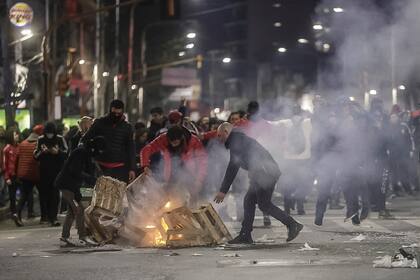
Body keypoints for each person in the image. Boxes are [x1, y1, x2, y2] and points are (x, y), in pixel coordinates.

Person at [214, 122, 303, 244]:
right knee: (250, 201)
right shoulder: (237, 139)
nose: (218, 139)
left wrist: (223, 191)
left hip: (265, 173)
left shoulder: (236, 141)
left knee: (264, 204)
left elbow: (232, 167)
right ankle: (245, 234)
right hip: (263, 172)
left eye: (219, 135)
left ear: (225, 132)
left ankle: (293, 224)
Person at [55, 136, 106, 247]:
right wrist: (91, 179)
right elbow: (75, 170)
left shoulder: (86, 153)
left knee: (74, 211)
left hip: (74, 187)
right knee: (77, 209)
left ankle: (65, 237)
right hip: (67, 185)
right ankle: (82, 237)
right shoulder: (81, 152)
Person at [141, 126, 208, 206]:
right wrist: (145, 165)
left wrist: (199, 179)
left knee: (192, 197)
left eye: (175, 142)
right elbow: (147, 149)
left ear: (181, 138)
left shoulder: (194, 141)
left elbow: (202, 161)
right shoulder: (163, 139)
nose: (173, 145)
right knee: (170, 198)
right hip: (171, 174)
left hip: (190, 174)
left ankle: (191, 212)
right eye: (171, 142)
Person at [81, 100, 136, 183]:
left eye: (118, 113)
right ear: (110, 110)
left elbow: (131, 148)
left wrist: (132, 168)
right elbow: (85, 140)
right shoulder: (99, 123)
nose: (116, 115)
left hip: (120, 168)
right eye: (114, 113)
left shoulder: (127, 127)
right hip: (100, 167)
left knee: (117, 195)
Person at [34, 122, 68, 226]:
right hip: (44, 171)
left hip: (57, 171)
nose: (49, 135)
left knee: (55, 195)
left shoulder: (60, 138)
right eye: (48, 133)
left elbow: (66, 153)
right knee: (44, 195)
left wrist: (57, 152)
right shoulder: (40, 139)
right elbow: (35, 155)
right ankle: (44, 216)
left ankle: (53, 217)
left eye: (51, 133)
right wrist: (42, 152)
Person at [16, 125, 43, 222]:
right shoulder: (38, 144)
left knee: (24, 195)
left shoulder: (22, 144)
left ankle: (17, 213)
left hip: (24, 174)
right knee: (42, 194)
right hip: (36, 173)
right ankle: (44, 216)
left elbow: (17, 159)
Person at [3, 128, 23, 227]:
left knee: (23, 196)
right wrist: (7, 178)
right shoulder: (6, 149)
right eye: (15, 135)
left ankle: (17, 214)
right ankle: (15, 214)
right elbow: (4, 165)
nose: (17, 136)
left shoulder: (20, 147)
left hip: (20, 175)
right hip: (11, 176)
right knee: (12, 197)